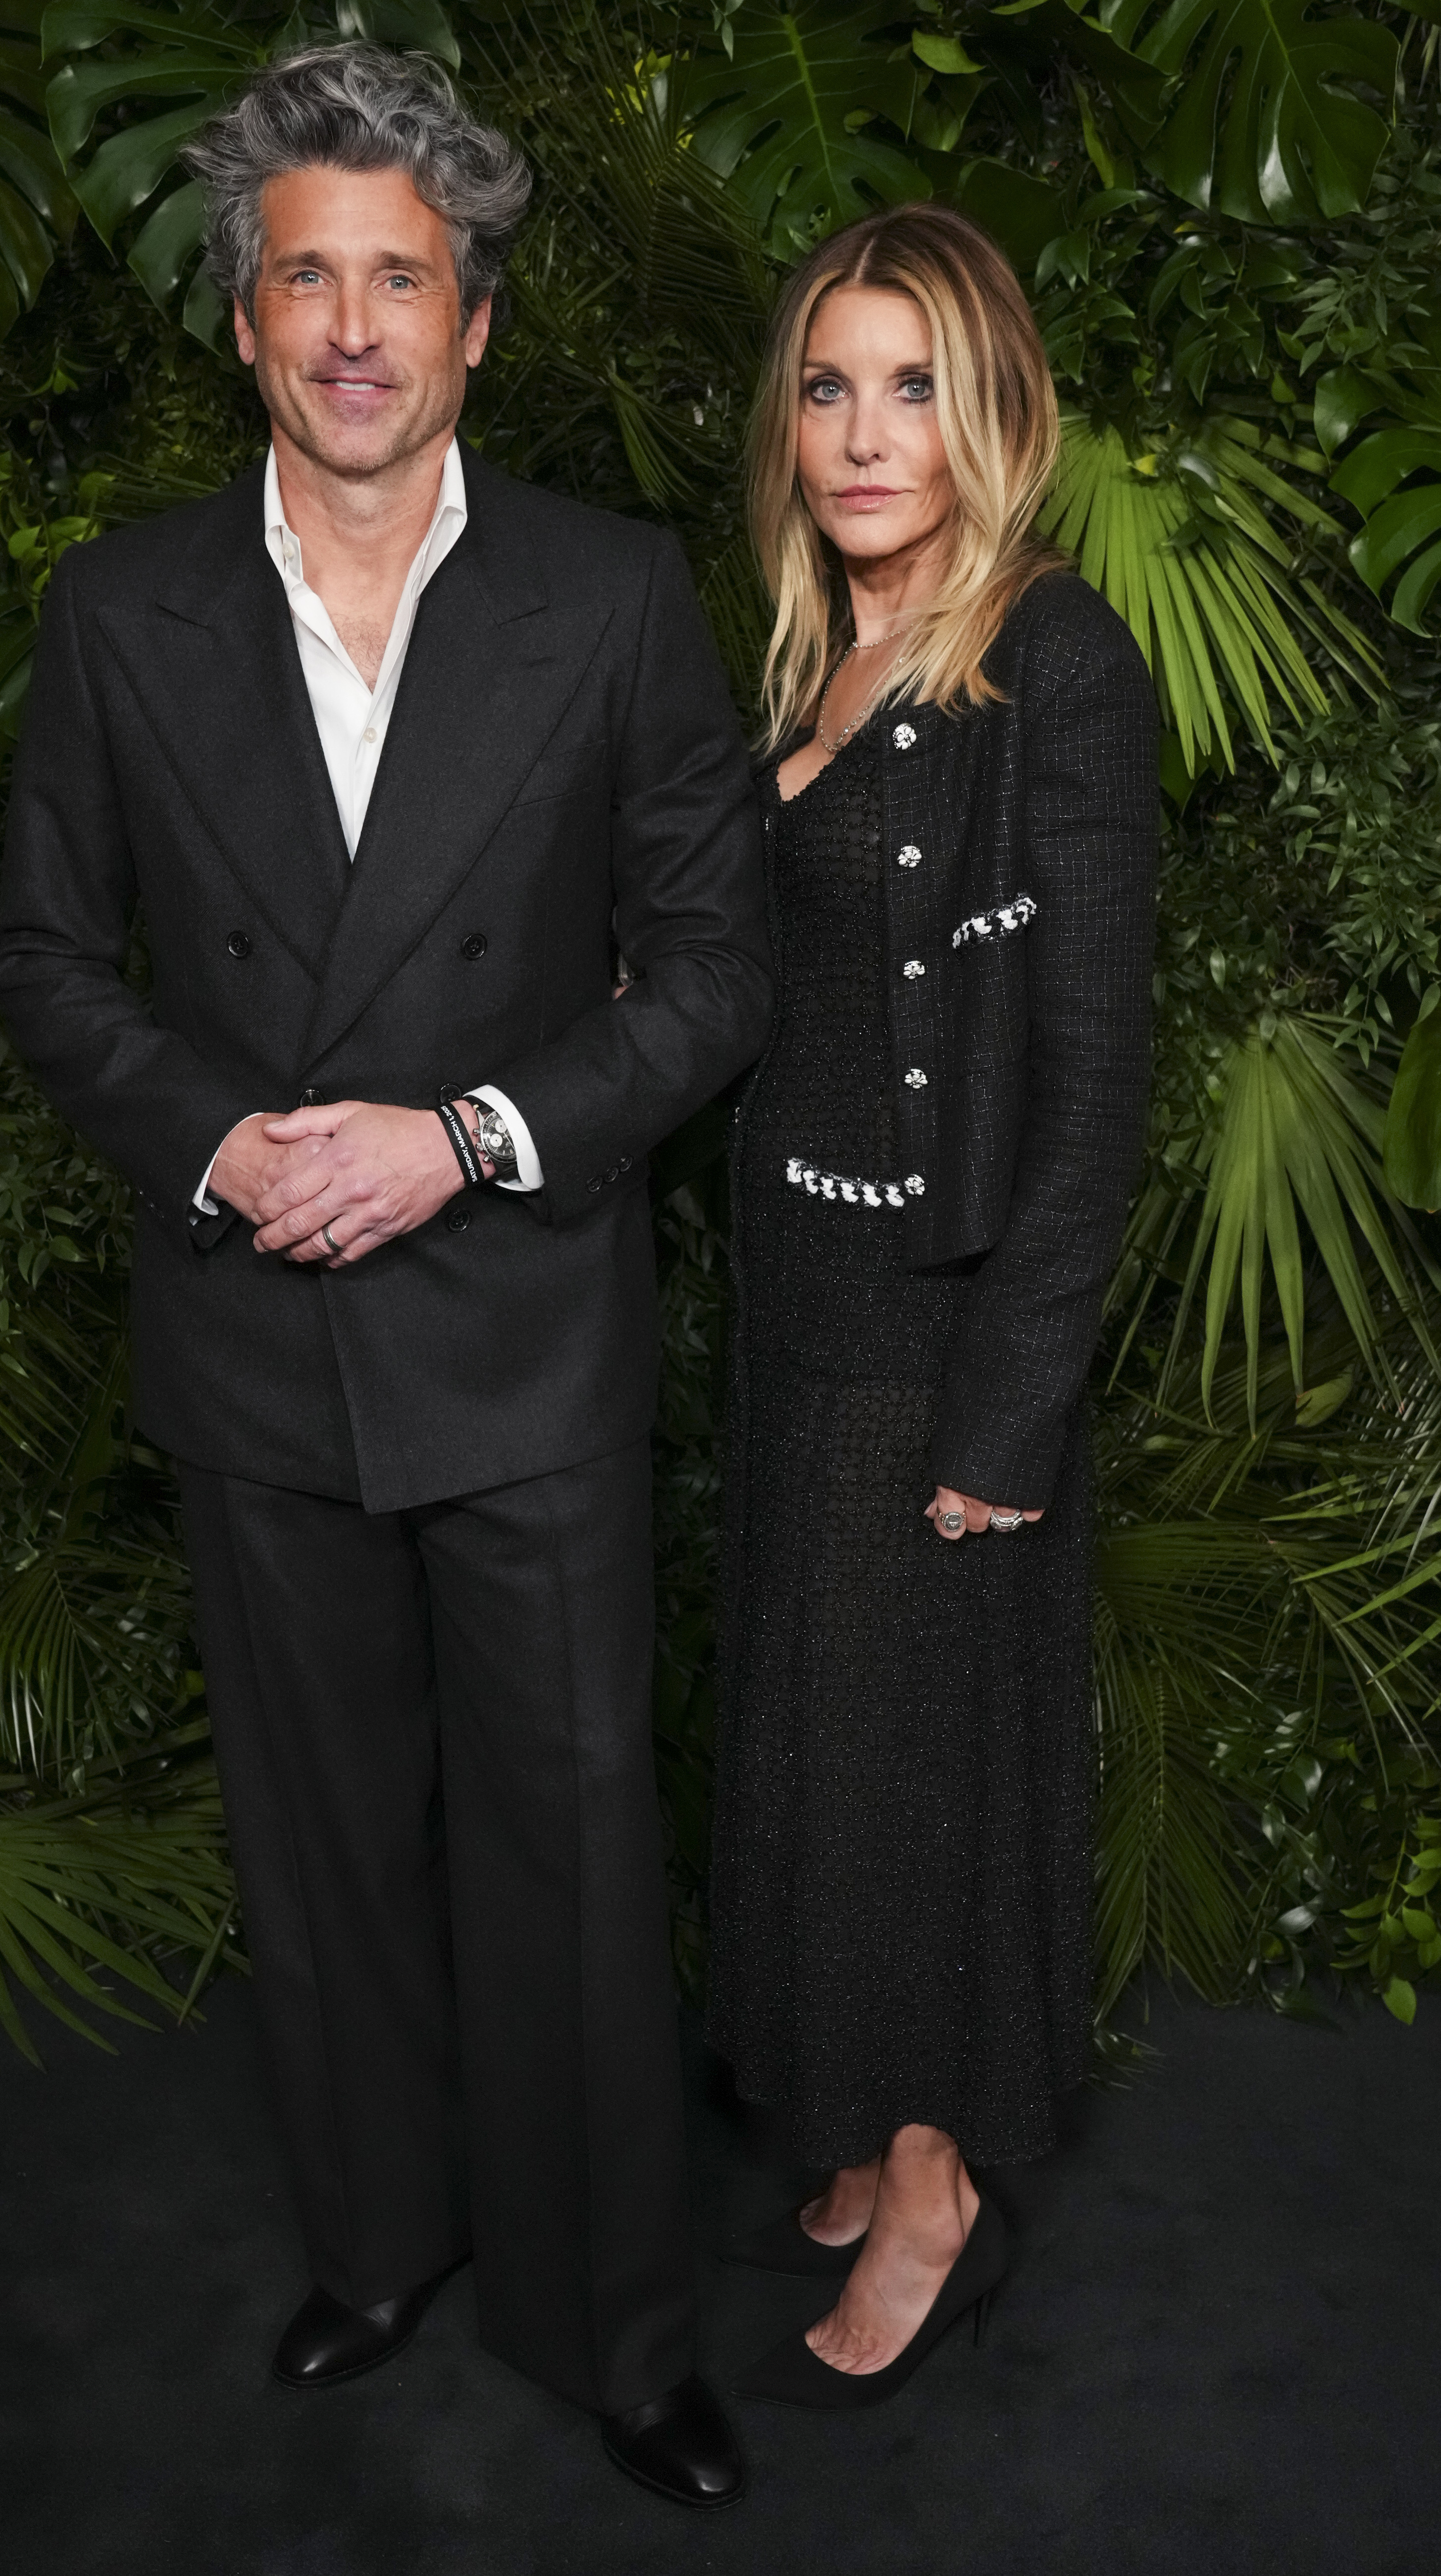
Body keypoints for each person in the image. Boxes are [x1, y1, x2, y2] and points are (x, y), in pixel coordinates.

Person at [0, 43, 772, 2507]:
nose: (353, 326)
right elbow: (38, 954)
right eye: (305, 276)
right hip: (255, 1332)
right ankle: (379, 2237)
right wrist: (224, 1134)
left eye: (399, 281)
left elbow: (714, 964)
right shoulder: (120, 611)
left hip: (519, 1321)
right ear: (243, 321)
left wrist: (469, 1136)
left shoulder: (611, 592)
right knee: (324, 1853)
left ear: (477, 326)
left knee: (566, 1851)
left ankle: (615, 2321)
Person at [705, 202, 1158, 2405]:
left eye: (912, 385)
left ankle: (932, 2182)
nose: (864, 432)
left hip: (938, 1321)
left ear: (989, 414)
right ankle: (843, 2104)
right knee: (813, 1741)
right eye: (827, 384)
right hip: (793, 1294)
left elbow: (1091, 1079)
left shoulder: (1049, 663)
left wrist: (1009, 1412)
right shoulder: (812, 662)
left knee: (905, 1777)